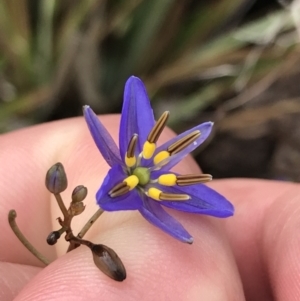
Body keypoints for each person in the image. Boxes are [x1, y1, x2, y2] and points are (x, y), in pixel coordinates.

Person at [0, 114, 299, 301]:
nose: (142, 176)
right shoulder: (113, 193)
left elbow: (220, 211)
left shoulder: (124, 190)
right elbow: (106, 199)